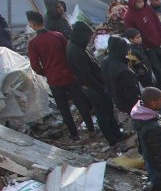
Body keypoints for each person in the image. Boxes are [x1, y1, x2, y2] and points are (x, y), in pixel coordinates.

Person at [26, 10, 93, 140]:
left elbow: (35, 66)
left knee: (64, 109)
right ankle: (91, 128)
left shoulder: (33, 43)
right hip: (69, 75)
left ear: (32, 24)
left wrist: (46, 72)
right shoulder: (57, 35)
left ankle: (74, 134)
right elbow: (68, 53)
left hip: (54, 80)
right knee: (80, 103)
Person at [66, 22, 123, 146]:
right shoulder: (75, 51)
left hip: (96, 86)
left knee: (108, 112)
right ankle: (112, 140)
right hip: (94, 88)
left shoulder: (78, 46)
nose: (89, 39)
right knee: (103, 115)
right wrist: (100, 88)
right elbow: (86, 75)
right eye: (88, 36)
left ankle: (117, 135)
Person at [102, 35, 142, 117]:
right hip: (131, 103)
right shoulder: (123, 70)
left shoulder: (105, 61)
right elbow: (132, 92)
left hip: (118, 99)